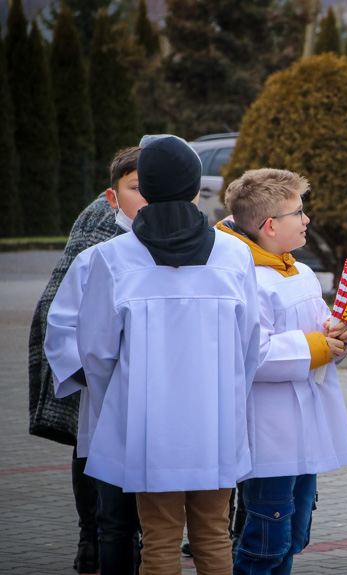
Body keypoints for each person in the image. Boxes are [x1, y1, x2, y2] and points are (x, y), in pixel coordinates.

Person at [75, 135, 261, 575]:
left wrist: (119, 408)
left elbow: (96, 355)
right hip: (215, 423)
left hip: (146, 428)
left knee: (157, 539)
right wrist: (230, 400)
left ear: (147, 189)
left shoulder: (111, 258)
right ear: (196, 189)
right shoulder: (235, 254)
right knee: (214, 536)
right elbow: (250, 344)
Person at [217, 168, 347, 574]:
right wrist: (316, 347)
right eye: (299, 212)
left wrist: (339, 334)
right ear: (271, 225)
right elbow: (249, 355)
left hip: (305, 434)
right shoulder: (246, 279)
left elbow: (322, 330)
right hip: (269, 439)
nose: (307, 219)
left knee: (293, 537)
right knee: (264, 544)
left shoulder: (300, 270)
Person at [32, 146, 144, 574]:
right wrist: (91, 375)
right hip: (101, 381)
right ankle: (89, 537)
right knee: (94, 453)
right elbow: (60, 311)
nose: (147, 197)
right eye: (136, 188)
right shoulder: (98, 238)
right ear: (111, 197)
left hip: (149, 392)